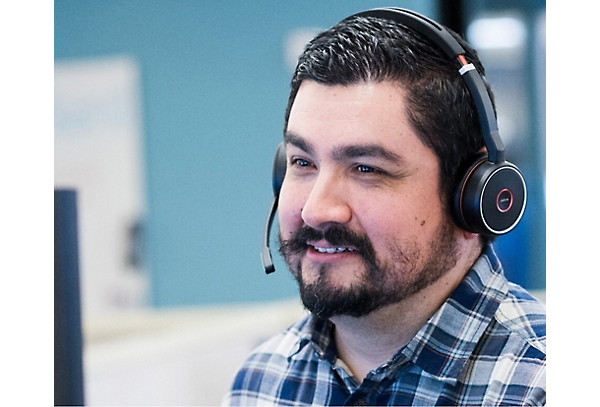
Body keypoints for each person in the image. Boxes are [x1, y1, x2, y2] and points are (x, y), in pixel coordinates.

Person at [224, 8, 545, 406]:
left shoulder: (549, 382)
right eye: (302, 163)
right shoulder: (261, 381)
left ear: (473, 193)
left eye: (366, 168)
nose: (316, 210)